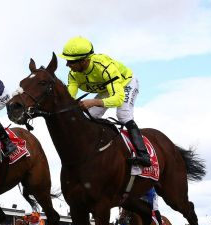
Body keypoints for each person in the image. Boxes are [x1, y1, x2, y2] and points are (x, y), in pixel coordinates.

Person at [58, 36, 151, 167]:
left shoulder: (104, 67)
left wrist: (93, 102)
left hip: (125, 84)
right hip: (107, 88)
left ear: (85, 61)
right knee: (87, 116)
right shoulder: (73, 74)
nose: (67, 65)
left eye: (71, 62)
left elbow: (118, 99)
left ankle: (143, 155)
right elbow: (68, 98)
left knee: (123, 115)